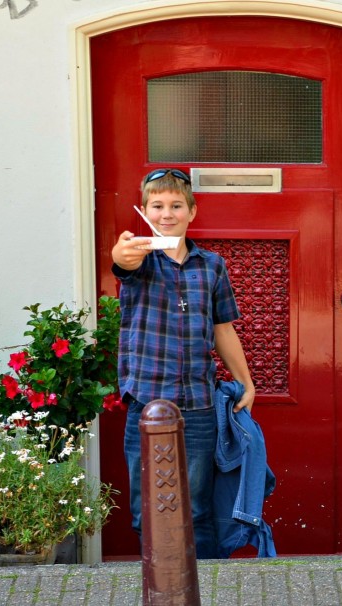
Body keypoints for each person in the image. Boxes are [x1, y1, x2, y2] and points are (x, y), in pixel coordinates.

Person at [111, 168, 255, 559]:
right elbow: (122, 259)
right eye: (157, 206)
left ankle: (207, 588)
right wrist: (122, 252)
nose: (167, 213)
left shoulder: (211, 265)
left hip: (198, 406)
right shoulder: (140, 260)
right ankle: (159, 587)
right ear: (144, 211)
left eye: (176, 205)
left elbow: (223, 329)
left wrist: (247, 382)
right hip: (147, 403)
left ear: (192, 211)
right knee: (148, 510)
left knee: (197, 508)